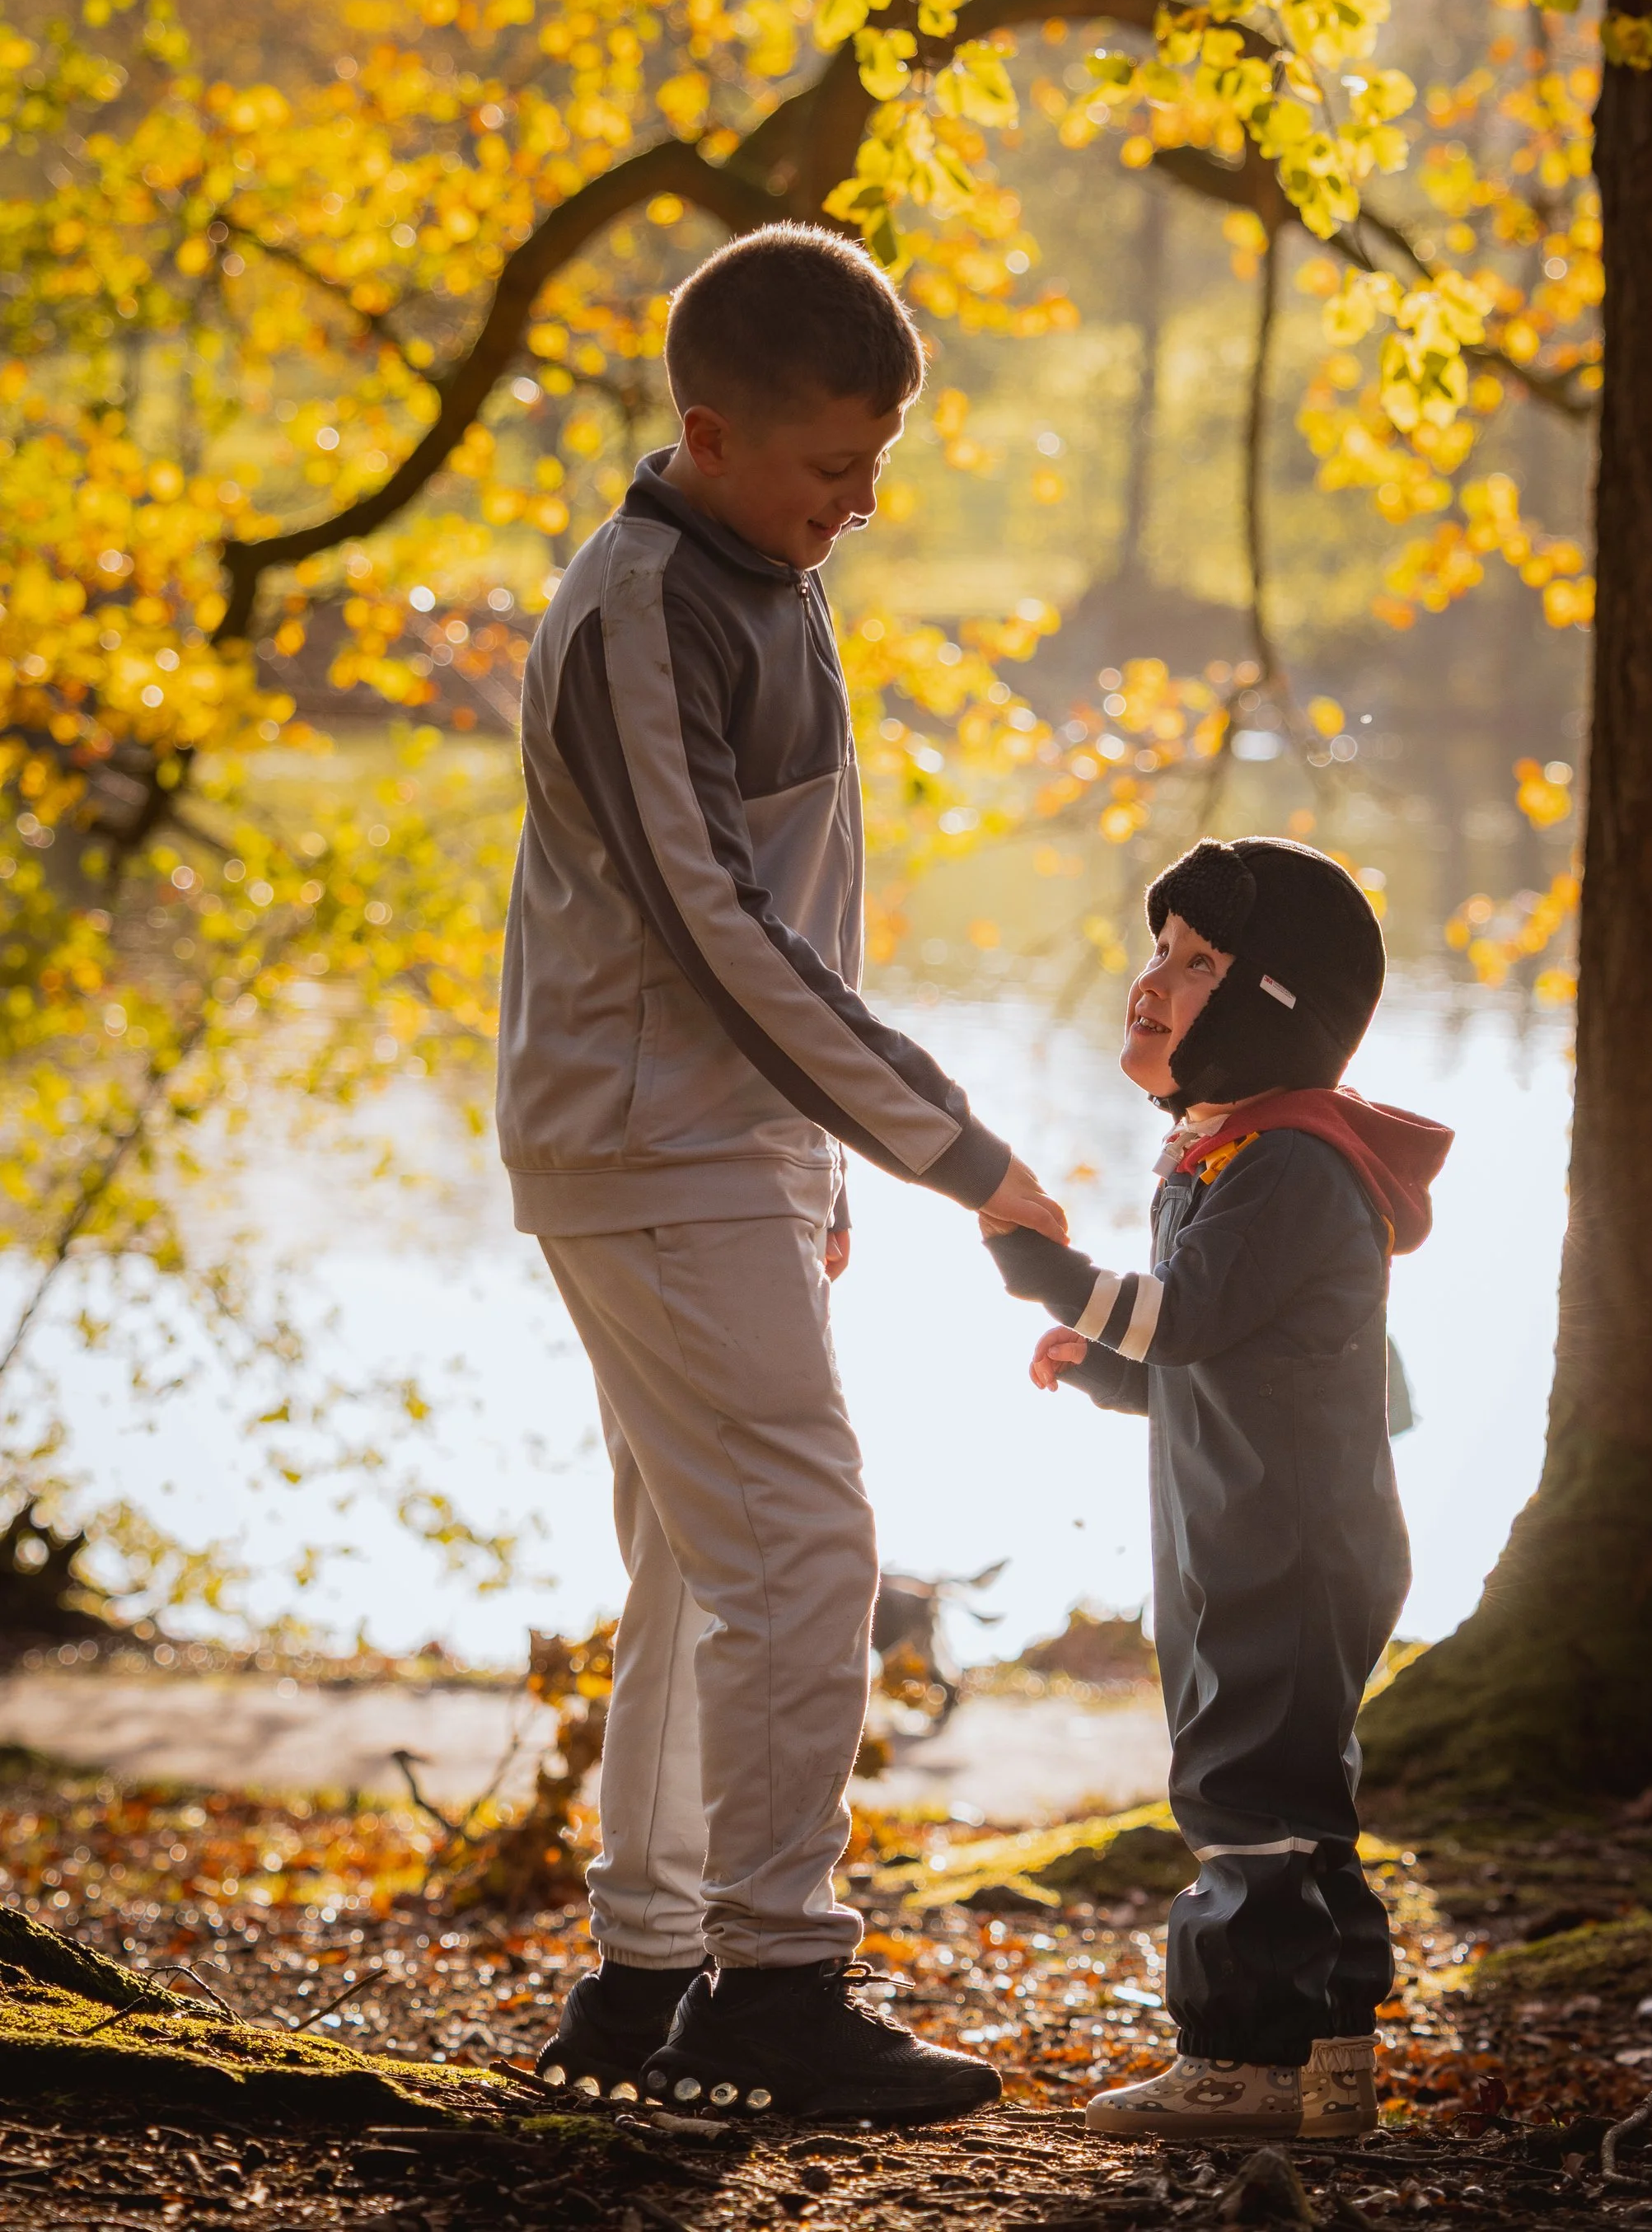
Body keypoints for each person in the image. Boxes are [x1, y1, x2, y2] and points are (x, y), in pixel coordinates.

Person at [498, 222, 1065, 2122]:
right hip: (646, 1135)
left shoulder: (765, 568)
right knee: (810, 1543)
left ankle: (648, 1966)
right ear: (709, 430)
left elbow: (795, 911)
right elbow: (721, 932)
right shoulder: (643, 605)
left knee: (694, 1556)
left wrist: (822, 1171)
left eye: (878, 463)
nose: (860, 500)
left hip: (722, 1146)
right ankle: (773, 1983)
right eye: (832, 465)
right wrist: (954, 1149)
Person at [985, 836, 1450, 2141]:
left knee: (1244, 1797)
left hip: (1283, 1544)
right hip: (1250, 1528)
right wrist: (1102, 1364)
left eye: (1200, 964)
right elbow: (1204, 1356)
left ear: (1273, 1007)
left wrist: (1039, 1263)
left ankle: (1241, 2063)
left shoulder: (1291, 1163)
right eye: (1159, 950)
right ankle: (1331, 2059)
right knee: (1300, 1800)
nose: (1156, 980)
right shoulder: (1228, 1152)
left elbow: (1179, 1319)